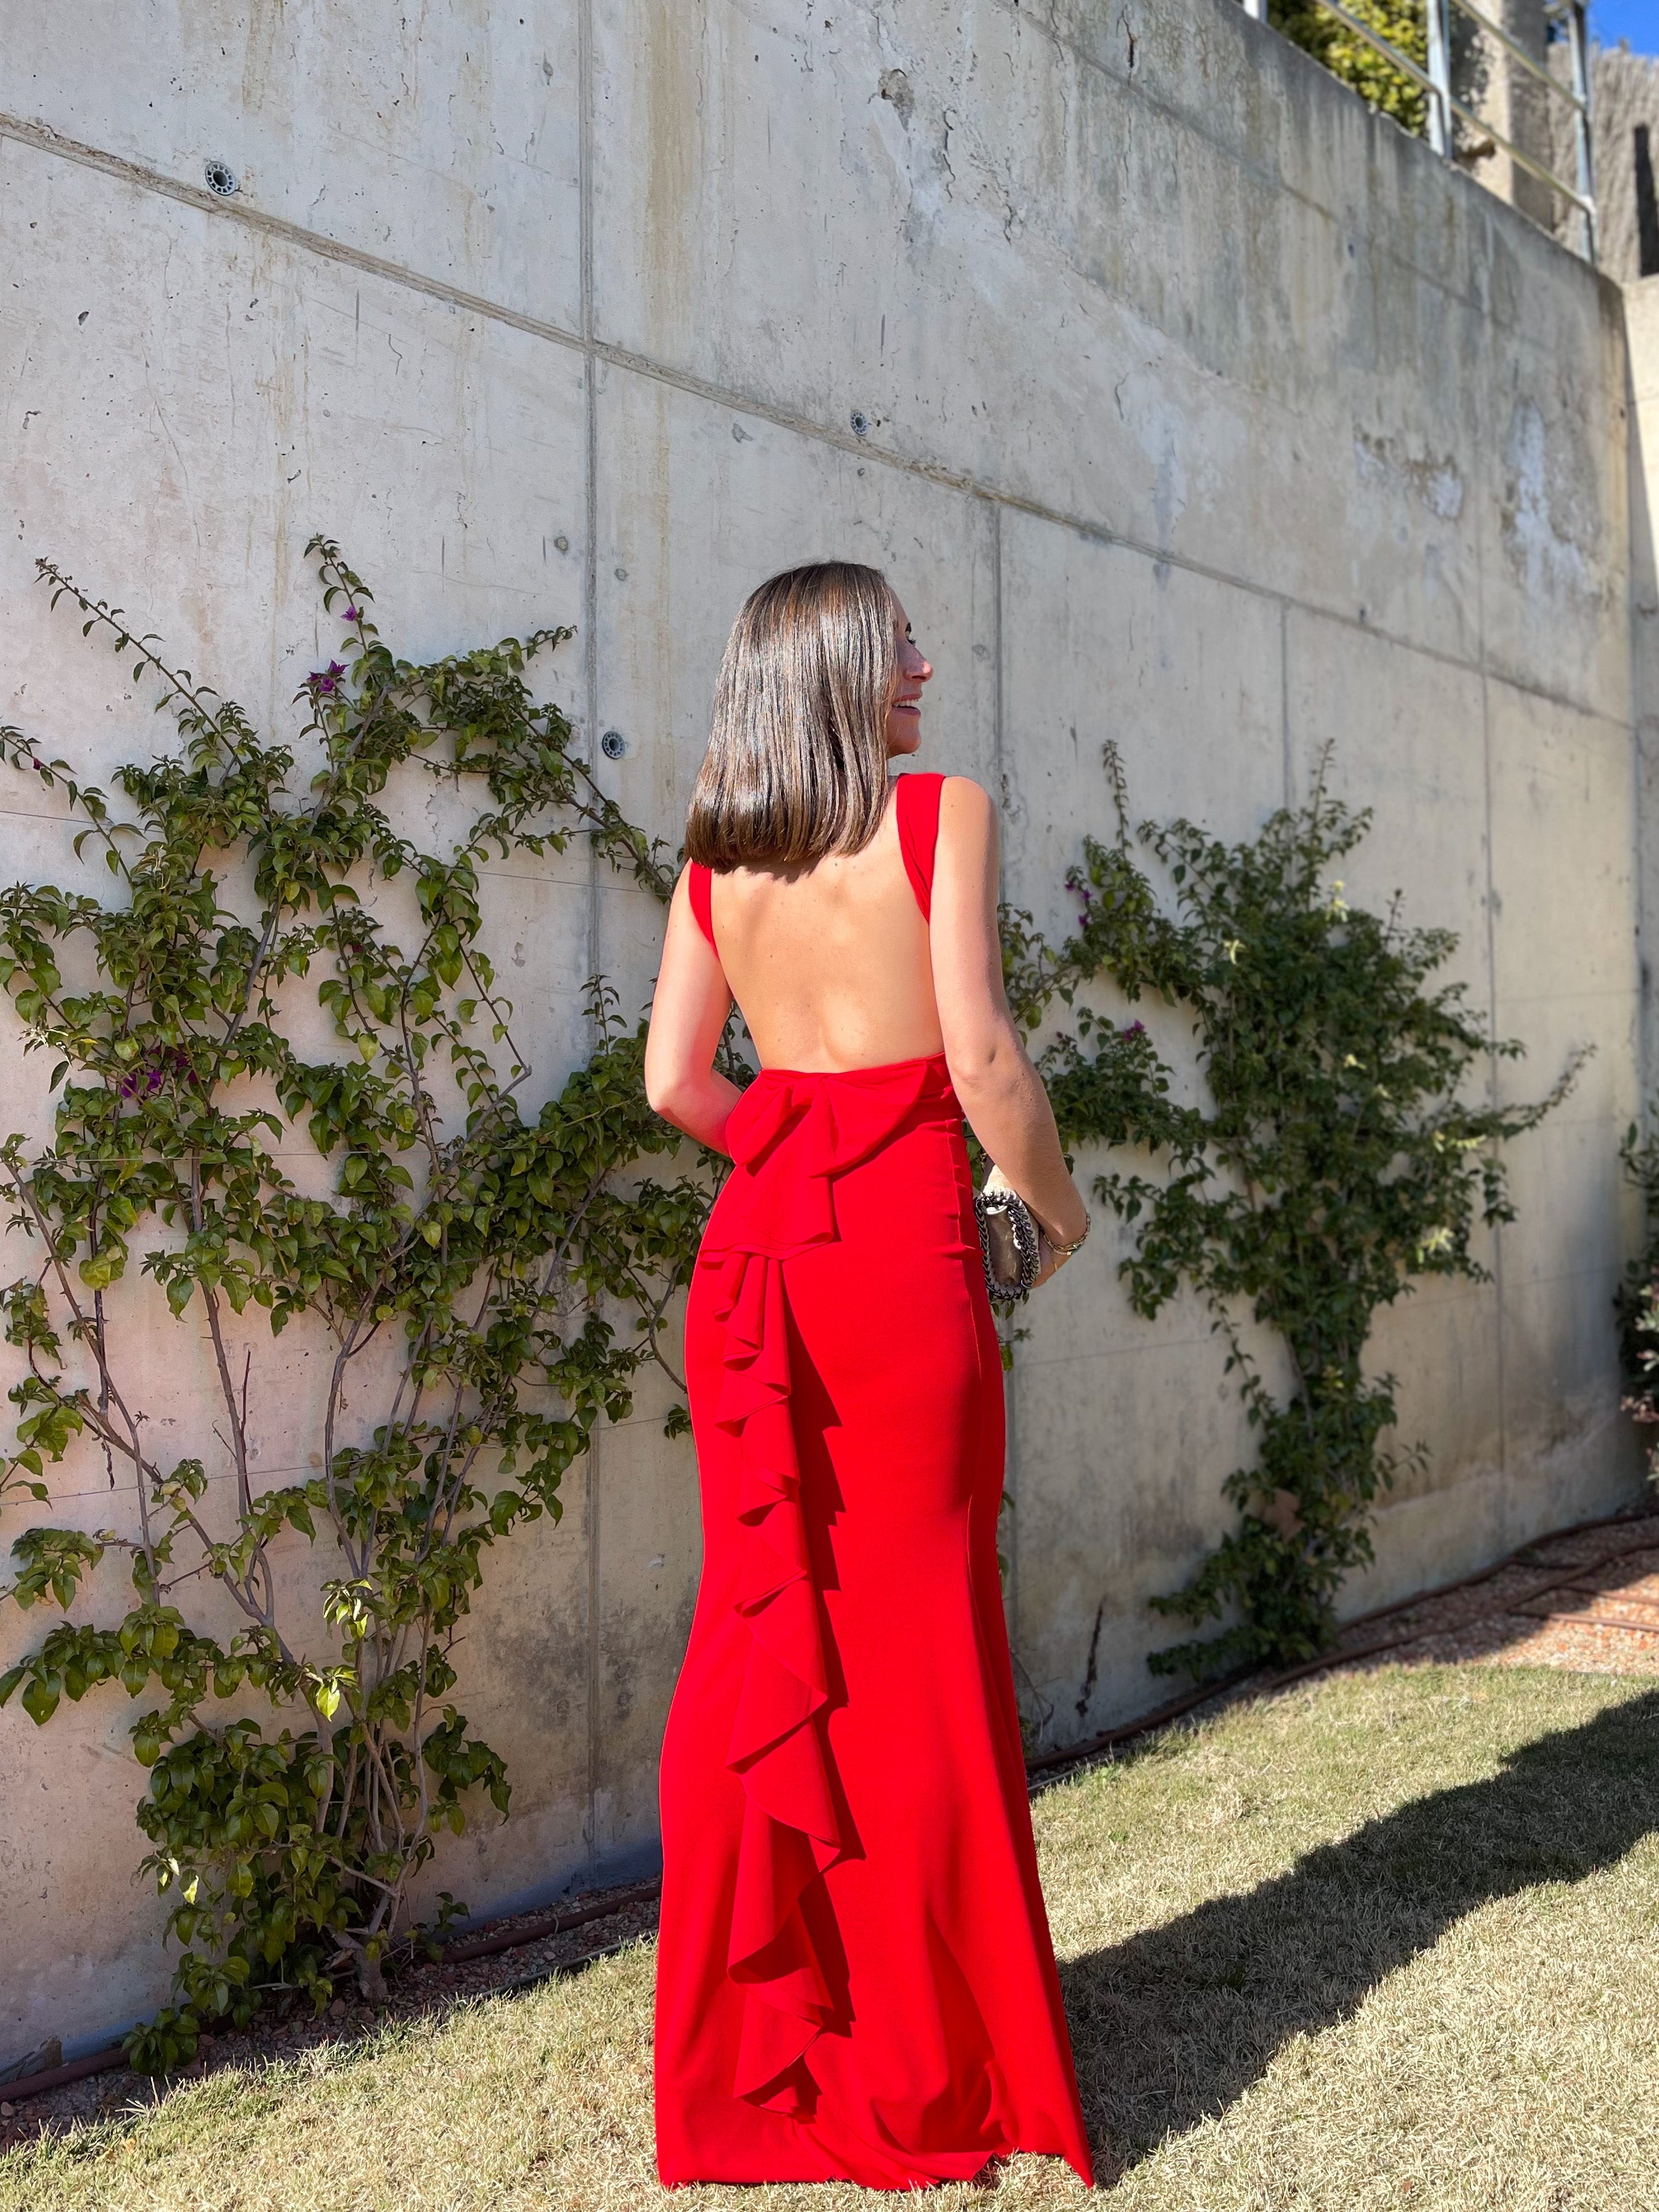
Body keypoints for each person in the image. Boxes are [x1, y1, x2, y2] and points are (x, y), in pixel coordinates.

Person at [644, 559, 1095, 2190]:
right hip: (899, 1263)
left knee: (762, 1630)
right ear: (834, 671)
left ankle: (742, 2066)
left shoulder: (714, 858)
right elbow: (977, 1054)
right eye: (894, 641)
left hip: (756, 1267)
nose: (920, 660)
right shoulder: (938, 814)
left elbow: (673, 1079)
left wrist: (800, 1145)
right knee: (917, 1649)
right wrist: (1053, 1207)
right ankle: (926, 2067)